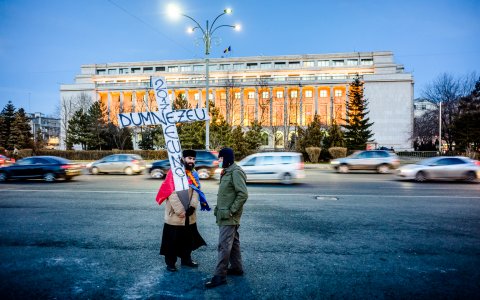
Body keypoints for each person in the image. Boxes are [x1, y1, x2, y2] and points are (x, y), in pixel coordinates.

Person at [156, 149, 210, 272]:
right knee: (172, 241)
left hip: (189, 215)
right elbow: (171, 193)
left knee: (187, 240)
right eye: (189, 158)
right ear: (183, 159)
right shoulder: (173, 173)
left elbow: (197, 191)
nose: (192, 161)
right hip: (175, 215)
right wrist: (180, 211)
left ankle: (186, 260)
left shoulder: (194, 173)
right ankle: (170, 263)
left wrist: (192, 206)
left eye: (193, 159)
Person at [205, 147, 248, 288]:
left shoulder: (236, 172)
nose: (218, 161)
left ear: (227, 158)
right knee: (233, 242)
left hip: (229, 216)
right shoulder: (228, 171)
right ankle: (237, 268)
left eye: (220, 158)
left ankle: (220, 276)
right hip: (224, 214)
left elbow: (242, 194)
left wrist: (231, 210)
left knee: (224, 245)